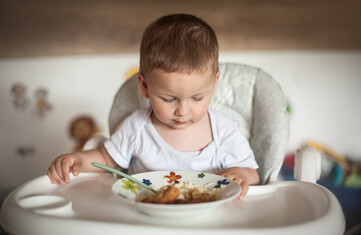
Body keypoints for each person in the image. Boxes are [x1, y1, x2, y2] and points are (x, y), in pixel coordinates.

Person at [47, 14, 259, 200]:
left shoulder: (224, 132)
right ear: (145, 86)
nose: (182, 111)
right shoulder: (137, 127)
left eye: (197, 98)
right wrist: (75, 160)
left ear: (214, 84)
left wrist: (238, 174)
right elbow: (105, 159)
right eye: (169, 99)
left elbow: (253, 174)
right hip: (144, 216)